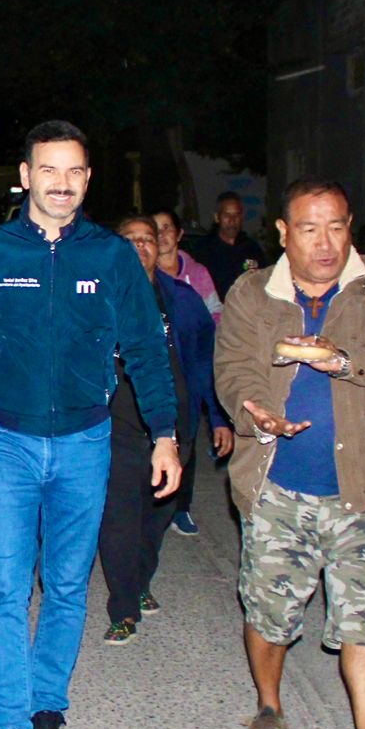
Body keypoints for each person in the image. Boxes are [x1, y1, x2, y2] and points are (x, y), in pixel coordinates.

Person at [0, 120, 181, 729]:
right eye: (49, 170)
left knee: (69, 585)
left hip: (85, 440)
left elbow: (148, 353)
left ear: (88, 179)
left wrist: (164, 431)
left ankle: (48, 708)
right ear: (25, 176)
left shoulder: (110, 258)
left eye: (73, 171)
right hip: (6, 441)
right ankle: (9, 726)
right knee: (7, 585)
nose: (61, 184)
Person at [214, 178, 365, 729]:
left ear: (350, 225)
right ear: (283, 233)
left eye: (336, 226)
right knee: (271, 615)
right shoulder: (253, 293)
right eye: (309, 228)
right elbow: (232, 370)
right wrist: (256, 412)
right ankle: (269, 703)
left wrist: (339, 359)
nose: (325, 242)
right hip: (278, 486)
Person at [98, 217, 231, 644]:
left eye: (146, 239)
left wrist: (220, 418)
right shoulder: (99, 297)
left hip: (175, 428)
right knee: (119, 521)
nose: (139, 246)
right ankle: (122, 606)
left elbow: (206, 363)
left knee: (156, 519)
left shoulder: (182, 299)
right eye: (129, 239)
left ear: (159, 246)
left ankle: (140, 583)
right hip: (117, 427)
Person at [152, 207, 225, 537]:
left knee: (187, 441)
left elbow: (215, 320)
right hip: (156, 374)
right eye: (156, 229)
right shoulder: (140, 275)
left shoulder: (196, 275)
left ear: (179, 234)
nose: (162, 234)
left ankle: (182, 507)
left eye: (168, 228)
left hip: (191, 372)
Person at [190, 191, 266, 301]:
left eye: (236, 215)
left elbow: (263, 281)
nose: (232, 220)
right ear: (217, 217)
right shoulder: (204, 249)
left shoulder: (252, 248)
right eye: (227, 215)